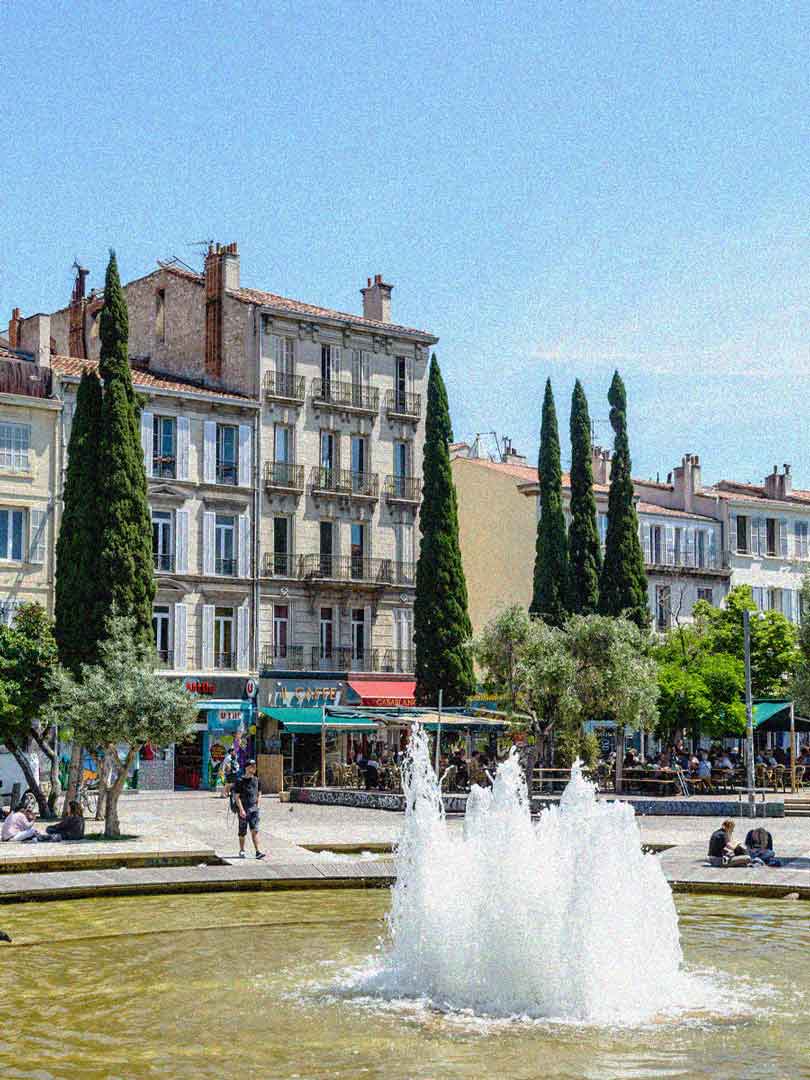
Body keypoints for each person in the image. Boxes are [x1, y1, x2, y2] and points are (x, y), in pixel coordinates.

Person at [233, 759, 265, 860]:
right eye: (252, 766)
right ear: (247, 768)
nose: (254, 768)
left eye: (255, 766)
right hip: (243, 809)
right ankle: (242, 850)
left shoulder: (257, 780)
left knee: (254, 830)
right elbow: (236, 797)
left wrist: (258, 804)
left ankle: (258, 852)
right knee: (242, 832)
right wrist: (241, 809)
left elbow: (259, 793)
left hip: (254, 809)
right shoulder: (239, 781)